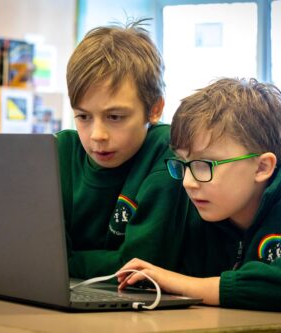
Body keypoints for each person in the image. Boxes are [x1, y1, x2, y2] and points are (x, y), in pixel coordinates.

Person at [117, 78, 281, 314]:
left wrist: (190, 286)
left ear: (262, 167)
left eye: (206, 165)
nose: (188, 182)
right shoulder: (197, 214)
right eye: (184, 163)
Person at [56, 19, 192, 279]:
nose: (97, 135)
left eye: (115, 117)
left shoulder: (167, 152)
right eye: (83, 117)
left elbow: (143, 266)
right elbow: (38, 255)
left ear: (155, 109)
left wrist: (66, 261)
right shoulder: (59, 151)